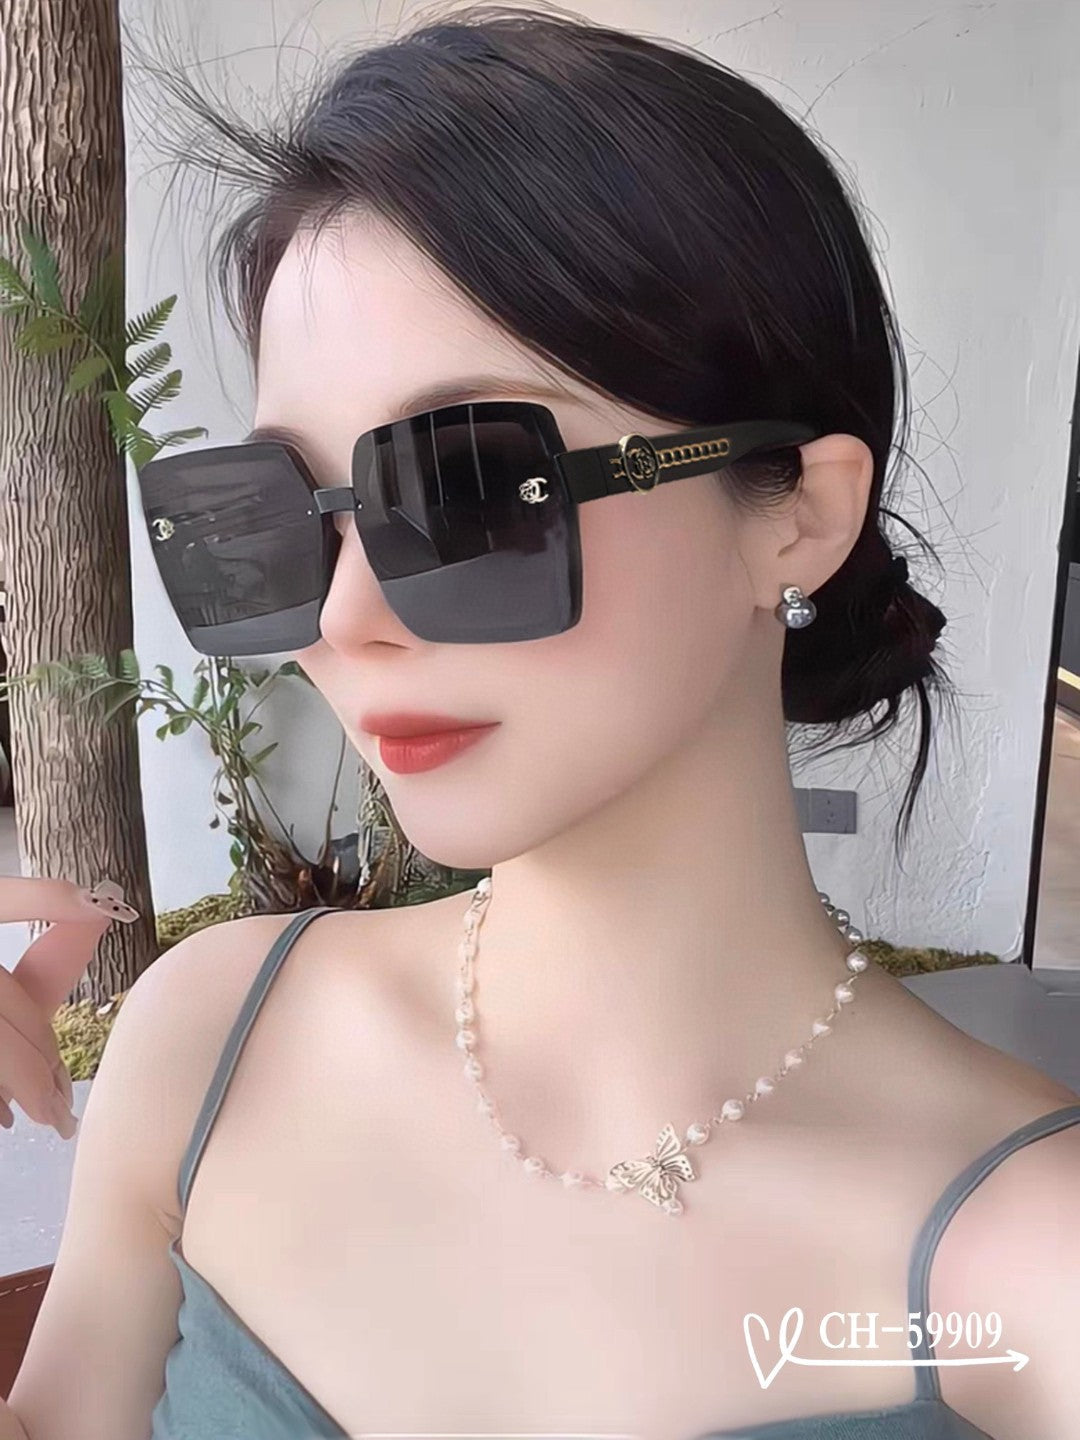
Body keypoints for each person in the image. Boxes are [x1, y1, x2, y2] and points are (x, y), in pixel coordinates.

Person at [3, 9, 1078, 1440]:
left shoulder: (1030, 1269)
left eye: (467, 489)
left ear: (799, 517)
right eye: (276, 515)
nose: (344, 617)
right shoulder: (209, 1040)